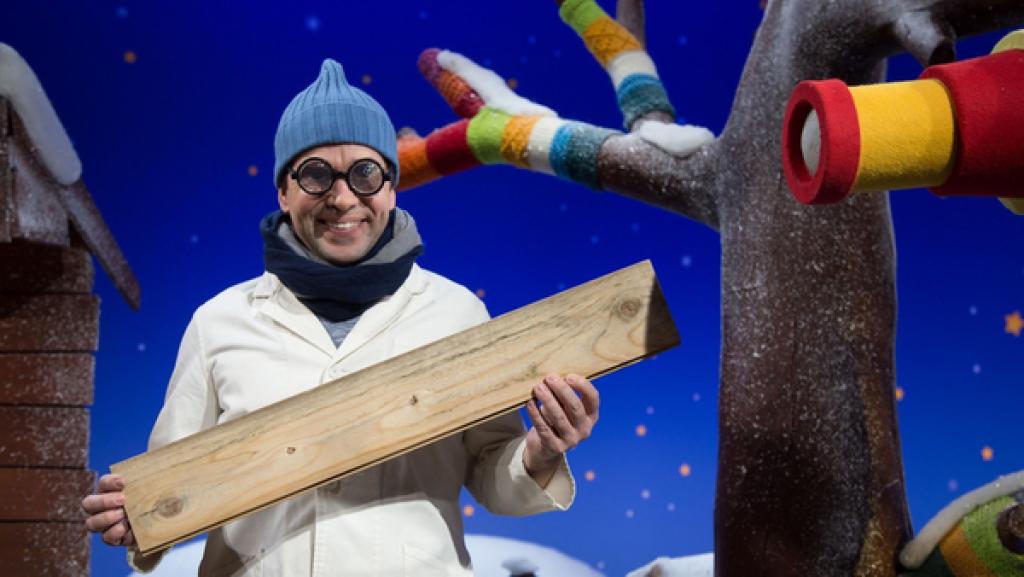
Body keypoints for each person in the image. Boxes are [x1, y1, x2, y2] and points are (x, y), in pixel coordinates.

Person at [81, 58, 600, 576]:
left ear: (392, 188)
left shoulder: (457, 314)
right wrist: (136, 518)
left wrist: (538, 453)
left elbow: (491, 475)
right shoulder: (220, 323)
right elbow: (171, 490)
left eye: (365, 173)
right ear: (284, 193)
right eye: (315, 175)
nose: (343, 196)